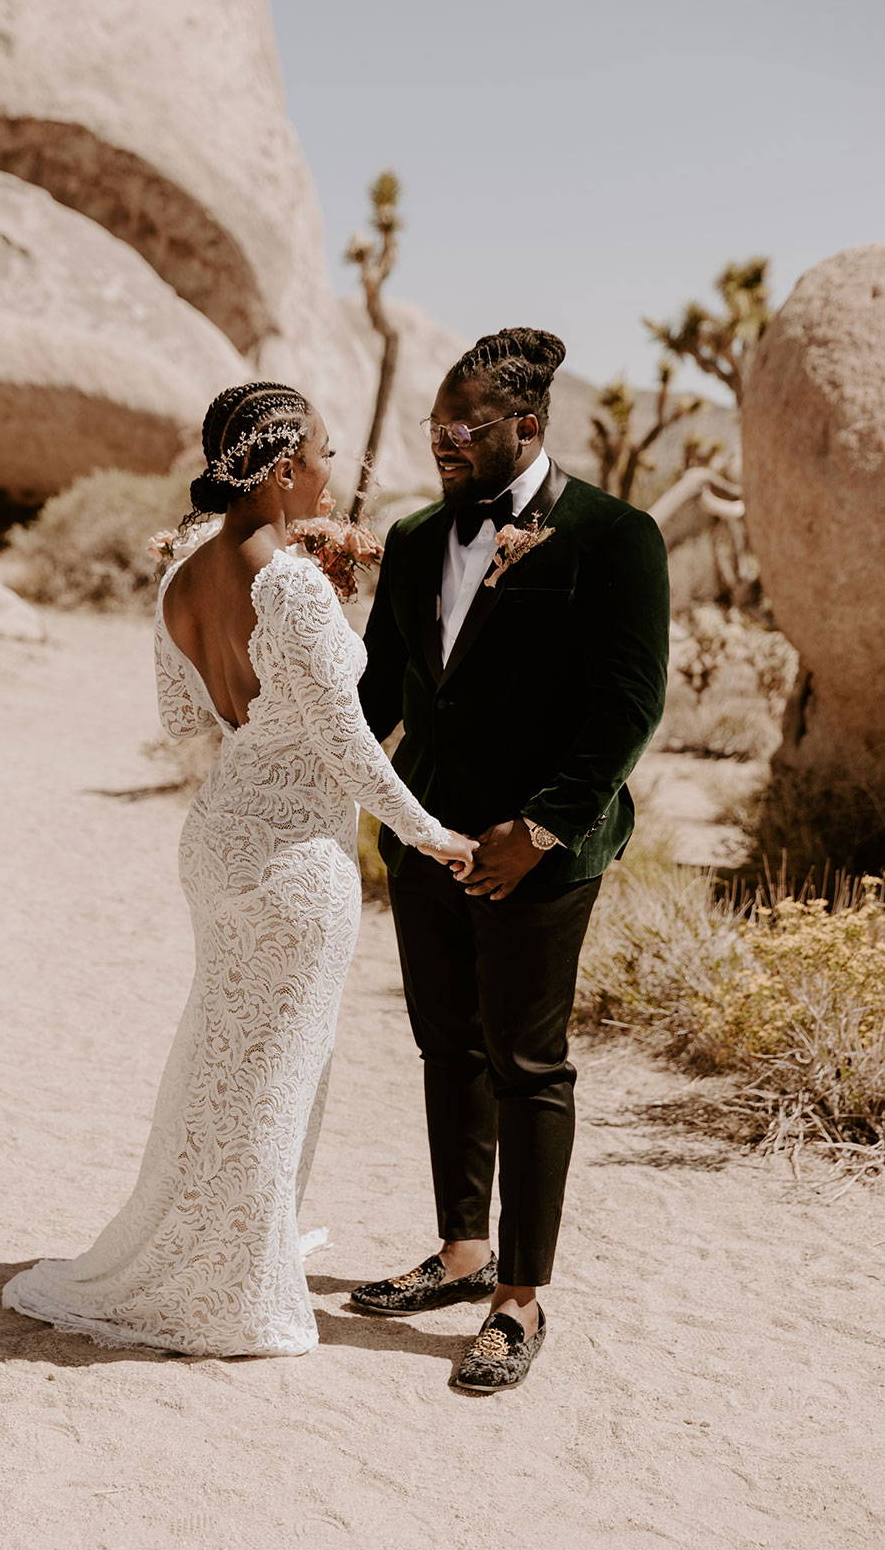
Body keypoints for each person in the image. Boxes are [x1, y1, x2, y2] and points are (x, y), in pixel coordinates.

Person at [2, 381, 474, 1357]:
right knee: (278, 1070)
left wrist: (260, 726)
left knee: (222, 1060)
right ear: (279, 468)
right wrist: (431, 834)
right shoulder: (292, 583)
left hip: (216, 839)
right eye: (324, 454)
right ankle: (233, 1285)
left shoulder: (178, 574)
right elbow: (347, 742)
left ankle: (211, 1246)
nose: (331, 471)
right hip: (296, 855)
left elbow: (184, 723)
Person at [352, 329, 670, 1392]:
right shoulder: (406, 539)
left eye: (463, 429)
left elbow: (626, 708)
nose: (442, 444)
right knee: (447, 1047)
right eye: (434, 429)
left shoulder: (611, 538)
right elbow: (375, 700)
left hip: (539, 853)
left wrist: (535, 833)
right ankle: (458, 1252)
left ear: (526, 427)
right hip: (425, 840)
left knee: (527, 1062)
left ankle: (518, 1299)